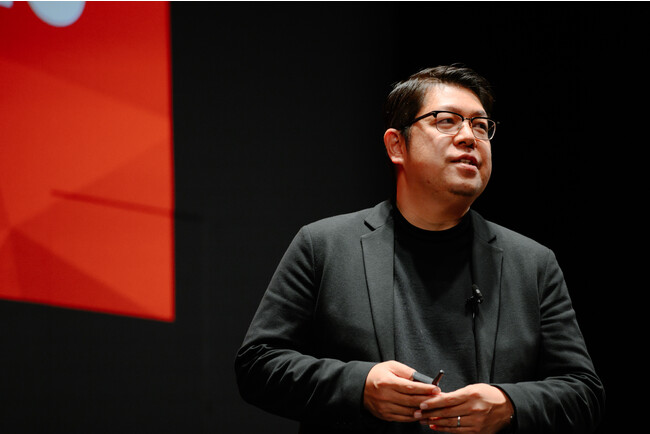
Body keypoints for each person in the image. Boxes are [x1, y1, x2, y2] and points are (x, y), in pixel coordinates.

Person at [235, 65, 605, 433]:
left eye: (481, 126)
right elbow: (257, 364)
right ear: (397, 145)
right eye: (447, 121)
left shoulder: (533, 263)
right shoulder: (324, 246)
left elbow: (583, 393)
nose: (469, 137)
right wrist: (360, 387)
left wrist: (508, 405)